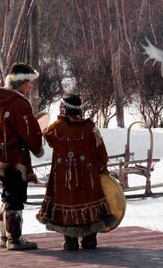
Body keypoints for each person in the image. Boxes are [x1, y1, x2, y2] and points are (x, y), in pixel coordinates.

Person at [36, 94, 118, 250]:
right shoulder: (90, 127)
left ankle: (71, 242)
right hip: (89, 178)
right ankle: (89, 240)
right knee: (91, 204)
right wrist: (102, 167)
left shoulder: (56, 127)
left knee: (67, 204)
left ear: (64, 108)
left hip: (64, 180)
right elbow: (101, 151)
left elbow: (48, 137)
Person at [0, 62, 44, 250]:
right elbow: (29, 130)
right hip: (15, 158)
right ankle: (14, 239)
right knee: (15, 198)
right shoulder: (18, 103)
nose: (30, 86)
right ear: (21, 83)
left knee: (7, 196)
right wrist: (37, 147)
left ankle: (5, 237)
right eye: (29, 83)